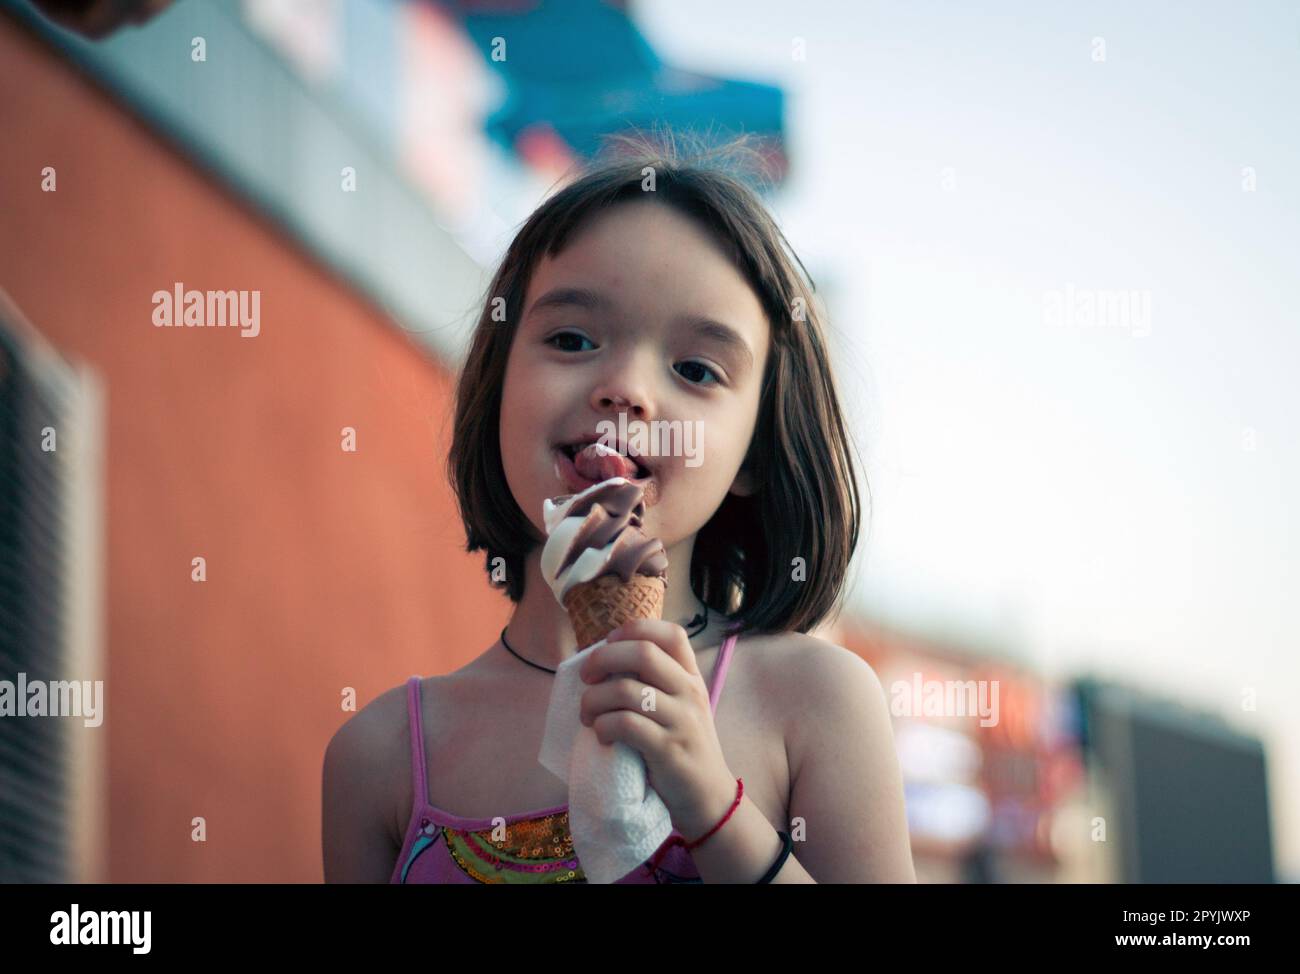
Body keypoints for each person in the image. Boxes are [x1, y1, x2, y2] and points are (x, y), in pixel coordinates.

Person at [321, 130, 916, 884]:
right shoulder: (381, 756)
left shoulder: (816, 704)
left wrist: (713, 805)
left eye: (696, 368)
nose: (626, 388)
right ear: (498, 385)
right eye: (571, 338)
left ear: (756, 453)